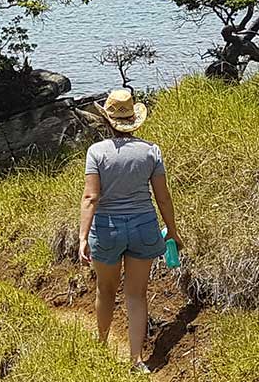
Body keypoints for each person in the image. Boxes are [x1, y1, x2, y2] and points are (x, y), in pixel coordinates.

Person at [78, 89, 182, 374]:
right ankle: (136, 361)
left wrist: (82, 237)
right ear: (134, 120)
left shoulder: (96, 152)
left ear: (108, 120)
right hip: (144, 227)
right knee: (136, 294)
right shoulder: (151, 151)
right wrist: (172, 230)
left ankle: (100, 345)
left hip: (107, 229)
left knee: (106, 289)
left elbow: (91, 198)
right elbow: (163, 196)